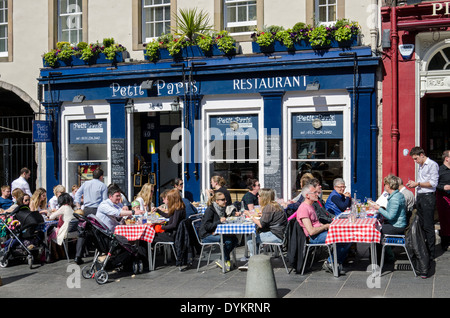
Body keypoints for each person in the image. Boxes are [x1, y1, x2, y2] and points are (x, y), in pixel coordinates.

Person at [296, 183, 351, 275]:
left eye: (317, 192)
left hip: (321, 232)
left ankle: (335, 262)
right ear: (307, 195)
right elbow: (311, 231)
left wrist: (329, 225)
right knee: (342, 238)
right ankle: (331, 262)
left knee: (348, 236)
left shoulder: (311, 206)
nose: (317, 194)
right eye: (314, 193)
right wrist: (325, 226)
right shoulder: (303, 208)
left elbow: (317, 223)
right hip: (314, 237)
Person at [406, 146, 439, 261]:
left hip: (428, 197)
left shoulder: (432, 165)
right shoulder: (421, 165)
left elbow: (433, 183)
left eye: (416, 159)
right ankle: (423, 250)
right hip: (420, 197)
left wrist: (417, 183)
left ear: (421, 155)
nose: (415, 161)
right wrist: (415, 184)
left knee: (429, 226)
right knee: (421, 225)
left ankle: (431, 254)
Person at [243, 188, 287, 265]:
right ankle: (256, 259)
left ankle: (253, 262)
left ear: (264, 197)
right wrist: (262, 215)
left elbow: (261, 224)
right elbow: (269, 218)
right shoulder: (275, 205)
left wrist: (250, 215)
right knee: (254, 236)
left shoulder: (268, 207)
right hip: (281, 233)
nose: (257, 197)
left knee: (250, 239)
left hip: (276, 235)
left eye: (259, 195)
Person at [199, 192, 238, 272]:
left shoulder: (221, 208)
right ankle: (225, 260)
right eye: (223, 200)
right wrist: (219, 221)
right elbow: (206, 226)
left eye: (225, 199)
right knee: (228, 241)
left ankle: (223, 259)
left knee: (235, 239)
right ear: (217, 201)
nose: (225, 201)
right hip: (207, 234)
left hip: (216, 232)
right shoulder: (210, 210)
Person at [47, 193, 76, 259]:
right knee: (54, 232)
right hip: (73, 232)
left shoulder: (63, 207)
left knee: (51, 232)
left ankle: (55, 253)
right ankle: (61, 252)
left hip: (65, 232)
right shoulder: (70, 208)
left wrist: (51, 213)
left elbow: (51, 216)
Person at [437, 150, 450, 251]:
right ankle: (445, 242)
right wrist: (443, 187)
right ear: (447, 158)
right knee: (445, 220)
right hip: (443, 198)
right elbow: (433, 184)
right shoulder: (439, 170)